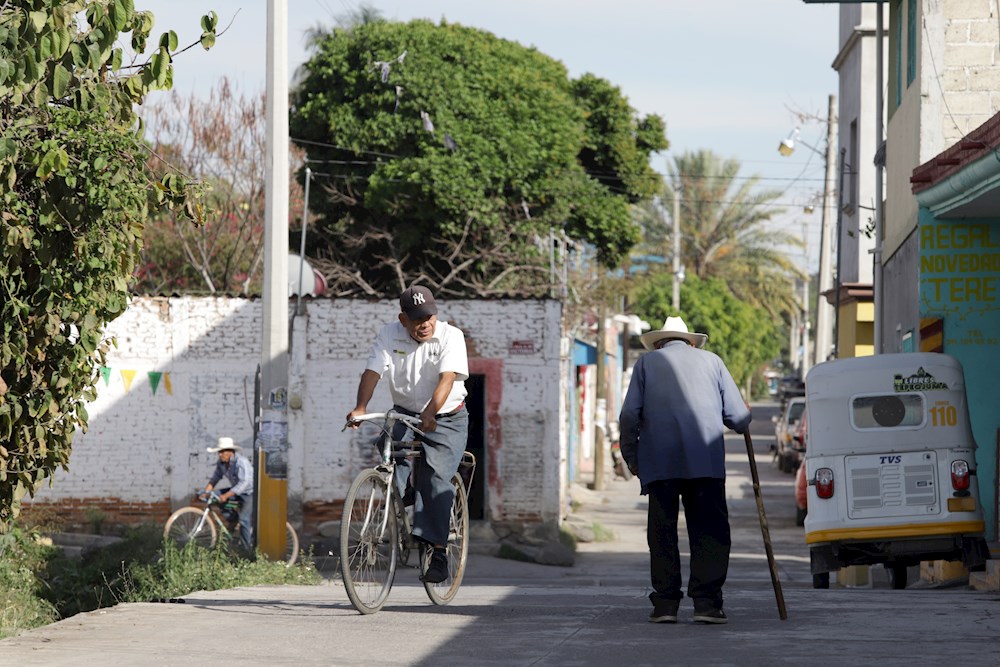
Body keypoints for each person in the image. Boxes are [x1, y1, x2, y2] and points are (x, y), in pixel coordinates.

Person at [618, 316, 751, 625]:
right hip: (705, 461)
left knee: (662, 532)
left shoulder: (646, 365)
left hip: (659, 464)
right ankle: (707, 604)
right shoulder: (713, 362)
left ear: (660, 342)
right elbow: (738, 418)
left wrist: (631, 456)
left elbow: (628, 415)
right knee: (709, 532)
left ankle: (665, 605)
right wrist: (745, 417)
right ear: (691, 342)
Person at [347, 285, 469, 584]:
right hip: (404, 412)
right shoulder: (390, 334)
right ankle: (403, 503)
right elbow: (373, 371)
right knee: (387, 448)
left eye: (429, 316)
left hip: (446, 417)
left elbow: (447, 378)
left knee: (436, 479)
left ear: (435, 314)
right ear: (404, 320)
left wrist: (430, 412)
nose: (424, 324)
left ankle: (438, 551)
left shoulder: (451, 336)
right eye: (417, 319)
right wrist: (361, 407)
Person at [202, 437, 255, 550]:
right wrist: (206, 492)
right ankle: (233, 519)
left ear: (231, 451)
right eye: (219, 452)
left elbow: (244, 484)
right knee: (214, 496)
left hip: (249, 493)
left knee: (244, 519)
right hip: (236, 491)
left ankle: (247, 551)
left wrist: (226, 496)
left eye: (222, 451)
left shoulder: (241, 462)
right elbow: (215, 479)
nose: (220, 454)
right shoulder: (222, 463)